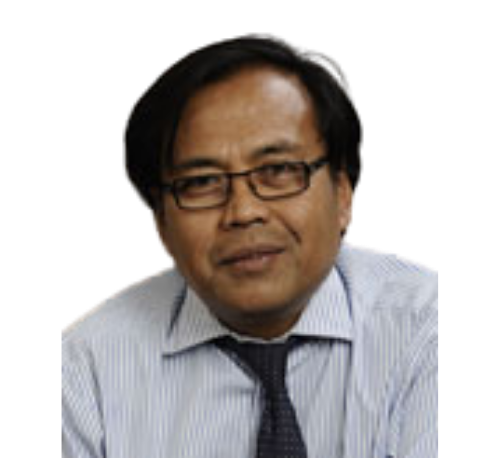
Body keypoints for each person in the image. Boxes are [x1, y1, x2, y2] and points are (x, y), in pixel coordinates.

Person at [61, 33, 439, 457]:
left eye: (278, 170)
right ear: (161, 225)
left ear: (344, 193)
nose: (243, 211)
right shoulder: (83, 370)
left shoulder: (425, 328)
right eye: (202, 182)